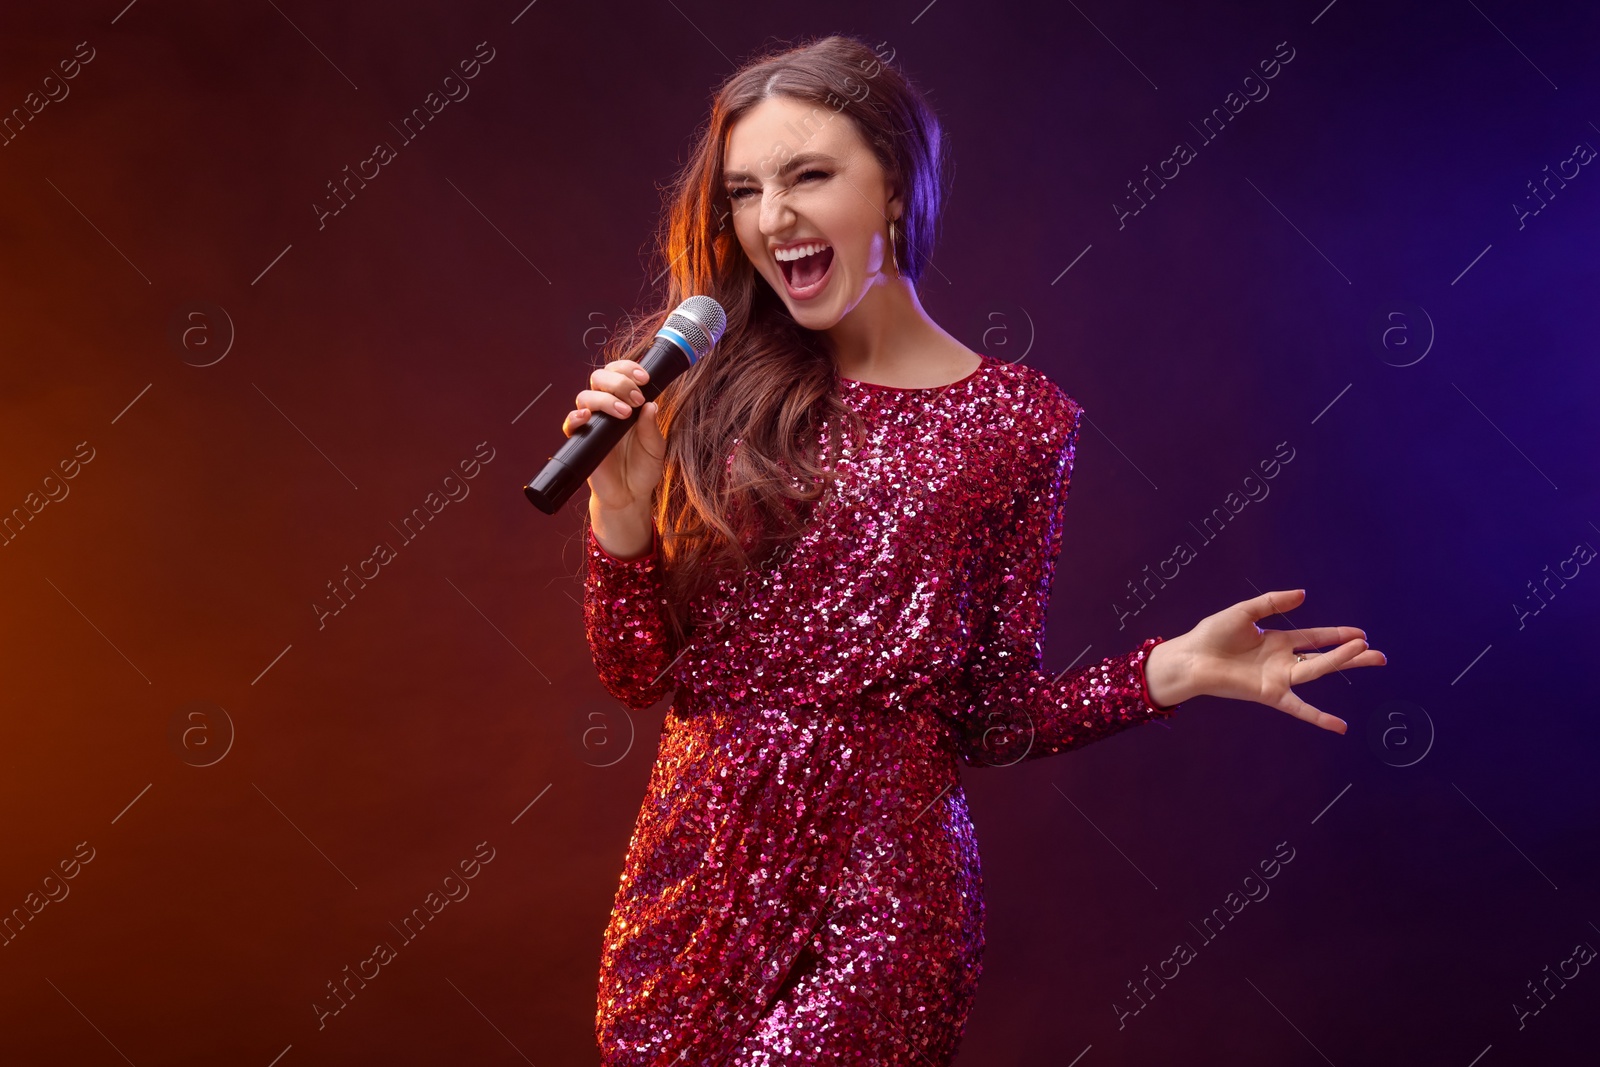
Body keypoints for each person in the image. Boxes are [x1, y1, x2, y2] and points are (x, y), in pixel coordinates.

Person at [563, 34, 1385, 1066]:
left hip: (883, 901)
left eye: (808, 175)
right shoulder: (706, 390)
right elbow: (640, 671)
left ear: (895, 187)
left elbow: (990, 716)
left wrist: (1168, 671)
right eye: (744, 191)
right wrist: (620, 510)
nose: (772, 219)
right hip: (686, 890)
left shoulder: (1019, 421)